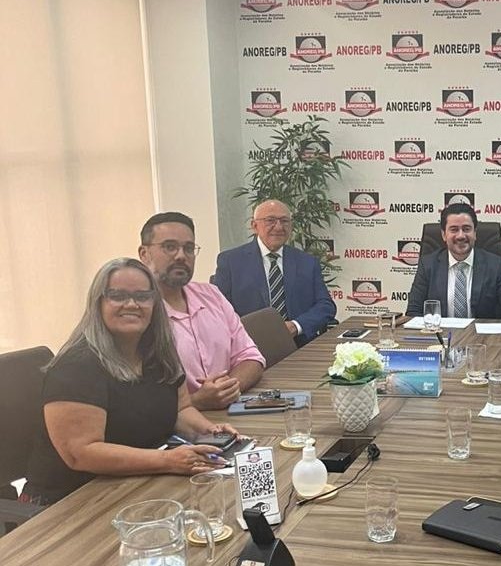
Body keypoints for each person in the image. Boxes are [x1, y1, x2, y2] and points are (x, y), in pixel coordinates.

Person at [23, 259, 241, 505]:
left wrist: (209, 431)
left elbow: (180, 409)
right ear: (98, 302)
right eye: (117, 296)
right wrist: (168, 461)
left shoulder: (159, 354)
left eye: (142, 296)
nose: (131, 304)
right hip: (67, 502)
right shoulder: (75, 366)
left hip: (138, 484)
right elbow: (80, 453)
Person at [139, 212, 265, 410]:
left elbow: (250, 356)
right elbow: (133, 404)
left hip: (230, 414)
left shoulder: (211, 295)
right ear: (144, 254)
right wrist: (197, 401)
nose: (181, 256)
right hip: (174, 425)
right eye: (169, 247)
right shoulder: (135, 313)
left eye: (189, 248)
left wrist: (227, 389)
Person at [213, 199, 337, 347]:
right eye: (270, 220)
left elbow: (326, 305)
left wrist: (296, 326)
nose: (278, 227)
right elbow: (219, 309)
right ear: (254, 226)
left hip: (299, 345)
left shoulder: (307, 262)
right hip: (248, 347)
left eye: (284, 221)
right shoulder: (230, 261)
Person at [405, 203, 501, 320]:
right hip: (439, 331)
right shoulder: (427, 265)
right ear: (444, 235)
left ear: (475, 233)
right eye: (454, 230)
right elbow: (413, 312)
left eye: (466, 229)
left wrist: (493, 331)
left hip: (482, 332)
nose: (460, 236)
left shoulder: (496, 266)